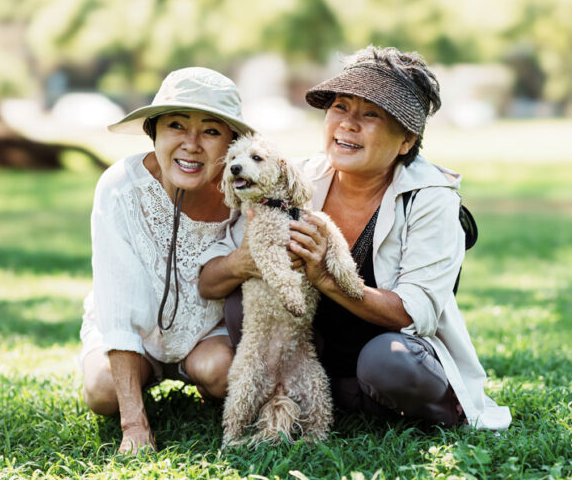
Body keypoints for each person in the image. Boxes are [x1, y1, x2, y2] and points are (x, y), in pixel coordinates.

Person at [198, 46, 511, 431]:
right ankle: (326, 395)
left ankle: (441, 407)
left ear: (406, 141)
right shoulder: (295, 179)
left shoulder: (430, 198)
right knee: (239, 302)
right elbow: (209, 279)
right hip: (317, 350)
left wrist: (324, 278)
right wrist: (243, 261)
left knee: (388, 361)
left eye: (370, 115)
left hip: (387, 349)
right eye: (340, 108)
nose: (347, 124)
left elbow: (412, 313)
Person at [80, 67, 255, 454]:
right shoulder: (119, 187)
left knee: (223, 374)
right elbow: (119, 304)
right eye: (177, 125)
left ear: (232, 143)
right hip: (135, 338)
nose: (191, 144)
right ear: (154, 132)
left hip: (207, 333)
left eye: (211, 131)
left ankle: (209, 388)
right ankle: (138, 388)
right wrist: (134, 426)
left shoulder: (246, 193)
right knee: (101, 391)